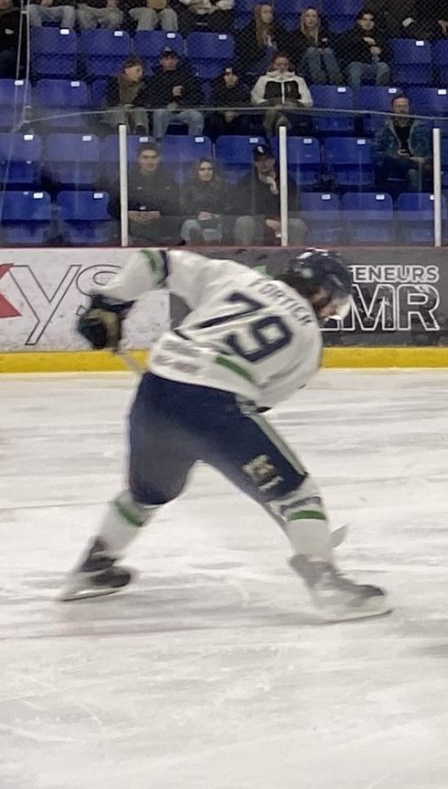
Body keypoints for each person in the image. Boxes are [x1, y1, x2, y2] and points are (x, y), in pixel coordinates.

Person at [59, 248, 387, 619]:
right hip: (219, 409)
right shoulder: (310, 341)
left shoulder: (237, 277)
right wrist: (217, 439)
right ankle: (327, 584)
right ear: (323, 293)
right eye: (334, 303)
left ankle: (92, 566)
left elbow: (156, 260)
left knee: (146, 493)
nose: (330, 313)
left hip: (156, 391)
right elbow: (259, 403)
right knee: (296, 494)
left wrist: (109, 303)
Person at [371, 93, 430, 197]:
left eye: (404, 106)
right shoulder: (384, 128)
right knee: (390, 162)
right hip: (392, 164)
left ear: (409, 108)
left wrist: (421, 159)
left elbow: (429, 150)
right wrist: (394, 153)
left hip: (415, 163)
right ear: (393, 108)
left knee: (413, 173)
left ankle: (415, 203)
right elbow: (376, 151)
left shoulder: (421, 127)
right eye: (399, 106)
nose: (402, 109)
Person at [176, 156, 244, 245]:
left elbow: (231, 207)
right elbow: (183, 207)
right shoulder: (187, 187)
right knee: (189, 224)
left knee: (224, 227)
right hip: (196, 220)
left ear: (214, 171)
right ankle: (194, 246)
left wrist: (216, 215)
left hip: (218, 222)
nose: (206, 172)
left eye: (209, 169)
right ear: (197, 171)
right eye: (202, 169)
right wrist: (198, 214)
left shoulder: (225, 187)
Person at [125, 141, 183, 244]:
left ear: (159, 159)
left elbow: (177, 205)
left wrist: (159, 214)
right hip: (133, 225)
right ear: (139, 159)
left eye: (153, 157)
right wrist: (127, 213)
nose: (150, 161)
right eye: (145, 157)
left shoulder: (168, 181)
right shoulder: (127, 180)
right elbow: (112, 206)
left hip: (160, 226)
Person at [145, 54, 203, 140]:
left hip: (184, 109)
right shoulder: (155, 78)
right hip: (165, 109)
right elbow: (152, 98)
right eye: (166, 59)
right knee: (159, 113)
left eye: (172, 58)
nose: (170, 61)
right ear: (161, 61)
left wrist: (181, 104)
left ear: (177, 60)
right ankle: (158, 142)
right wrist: (170, 96)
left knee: (196, 116)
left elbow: (197, 95)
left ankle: (194, 143)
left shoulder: (187, 76)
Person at [252, 54, 312, 137]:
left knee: (279, 112)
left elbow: (307, 101)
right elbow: (256, 100)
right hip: (269, 110)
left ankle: (270, 130)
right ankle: (280, 125)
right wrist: (274, 103)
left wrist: (291, 104)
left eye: (285, 64)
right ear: (273, 65)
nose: (282, 67)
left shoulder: (298, 80)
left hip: (292, 111)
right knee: (273, 111)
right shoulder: (263, 80)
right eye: (279, 64)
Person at [336, 9, 391, 89]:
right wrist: (363, 40)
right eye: (365, 20)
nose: (368, 23)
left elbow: (389, 53)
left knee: (384, 67)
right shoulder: (351, 34)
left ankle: (379, 92)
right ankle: (355, 94)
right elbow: (342, 46)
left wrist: (380, 51)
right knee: (355, 69)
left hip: (373, 65)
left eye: (371, 20)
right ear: (359, 21)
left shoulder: (380, 35)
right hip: (356, 64)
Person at [289, 6, 342, 86]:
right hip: (304, 68)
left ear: (318, 19)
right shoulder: (296, 35)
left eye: (314, 16)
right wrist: (317, 51)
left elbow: (333, 46)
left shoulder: (325, 33)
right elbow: (297, 54)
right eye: (307, 16)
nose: (311, 19)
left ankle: (336, 81)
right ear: (303, 19)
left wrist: (321, 51)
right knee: (312, 51)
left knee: (328, 51)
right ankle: (319, 81)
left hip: (324, 66)